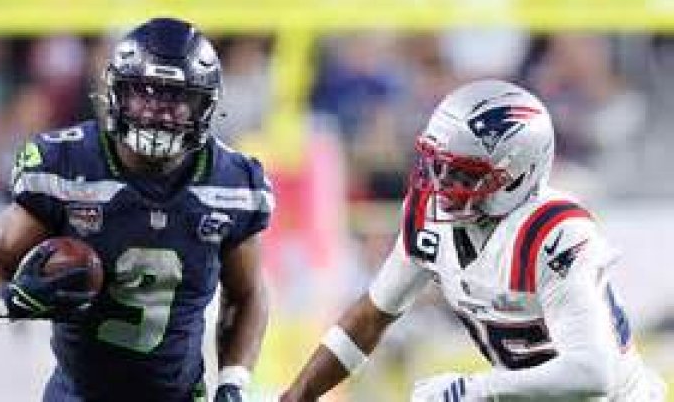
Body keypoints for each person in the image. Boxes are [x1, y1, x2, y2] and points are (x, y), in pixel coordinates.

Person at [280, 79, 666, 401]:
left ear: (517, 175)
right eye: (437, 166)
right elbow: (371, 316)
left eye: (463, 174)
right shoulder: (430, 216)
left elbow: (594, 373)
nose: (441, 186)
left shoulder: (553, 233)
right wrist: (296, 396)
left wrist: (473, 389)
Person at [0, 17, 273, 402]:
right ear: (116, 93)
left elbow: (248, 294)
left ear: (204, 105)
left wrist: (233, 380)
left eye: (177, 99)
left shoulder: (233, 183)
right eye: (145, 94)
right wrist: (7, 298)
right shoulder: (67, 163)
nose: (159, 112)